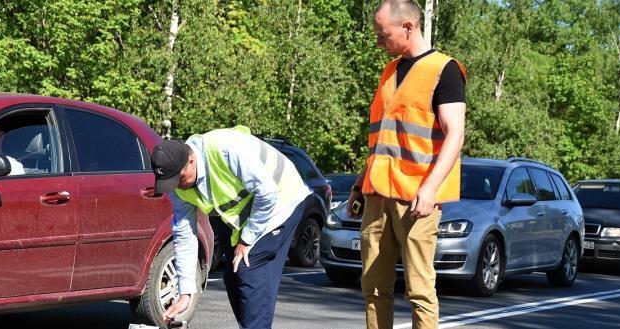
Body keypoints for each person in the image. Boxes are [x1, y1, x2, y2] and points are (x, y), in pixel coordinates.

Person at [346, 1, 467, 328]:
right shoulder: (389, 72)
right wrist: (359, 185)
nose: (379, 43)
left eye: (383, 36)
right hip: (377, 197)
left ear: (408, 27)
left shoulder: (445, 70)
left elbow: (455, 136)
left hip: (417, 201)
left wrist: (429, 190)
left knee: (419, 291)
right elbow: (382, 140)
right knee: (373, 289)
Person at [151, 125, 311, 329]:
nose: (178, 186)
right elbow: (184, 235)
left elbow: (267, 194)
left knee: (248, 266)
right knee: (233, 278)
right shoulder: (177, 184)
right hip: (241, 217)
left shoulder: (226, 149)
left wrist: (246, 240)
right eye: (171, 183)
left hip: (281, 200)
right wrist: (185, 293)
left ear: (191, 160)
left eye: (180, 179)